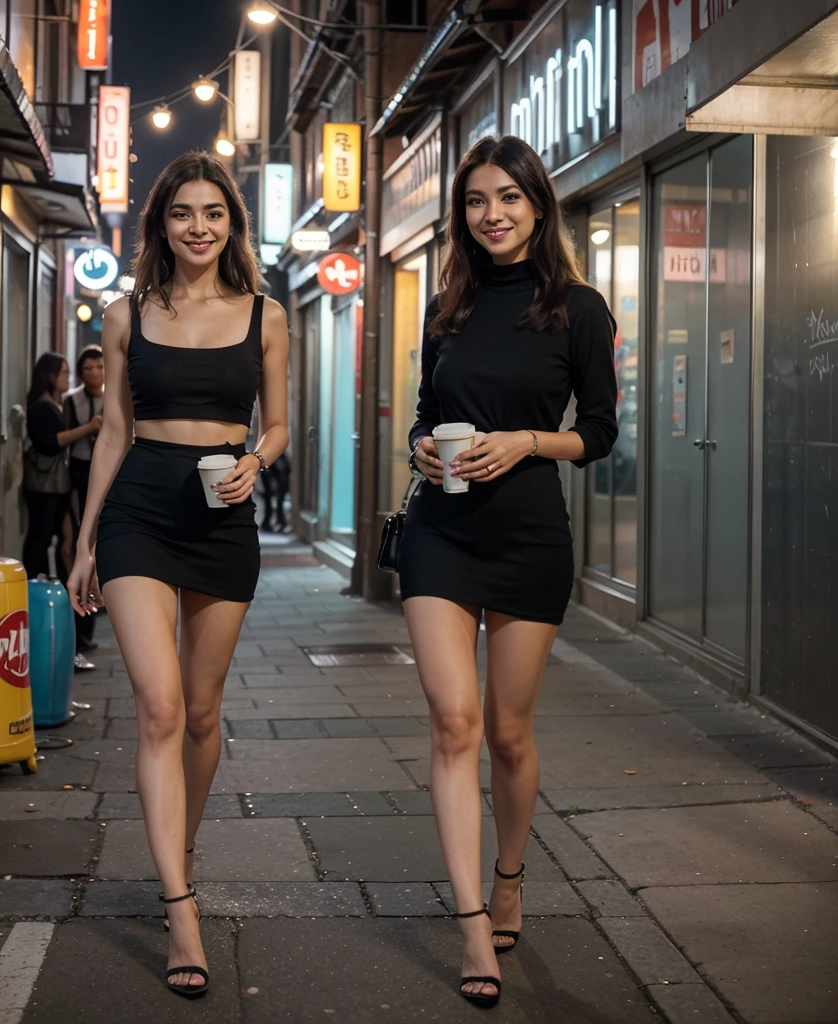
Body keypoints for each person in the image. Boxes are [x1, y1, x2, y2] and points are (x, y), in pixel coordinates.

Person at [399, 135, 618, 1009]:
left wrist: (526, 441)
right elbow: (426, 413)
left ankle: (511, 876)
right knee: (454, 724)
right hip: (439, 532)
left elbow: (598, 433)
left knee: (507, 734)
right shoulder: (446, 307)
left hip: (529, 533)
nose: (491, 214)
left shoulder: (579, 309)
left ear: (537, 205)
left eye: (508, 198)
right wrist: (423, 448)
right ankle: (469, 928)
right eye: (477, 200)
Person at [66, 152, 289, 999]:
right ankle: (181, 904)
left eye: (214, 214)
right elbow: (115, 430)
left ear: (232, 224)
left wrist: (255, 462)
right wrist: (86, 542)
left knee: (201, 713)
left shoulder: (265, 316)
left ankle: (179, 850)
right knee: (159, 706)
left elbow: (280, 423)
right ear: (161, 224)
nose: (199, 227)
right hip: (141, 512)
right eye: (182, 213)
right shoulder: (128, 316)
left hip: (224, 514)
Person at [22, 352, 103, 582]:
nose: (67, 377)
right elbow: (52, 441)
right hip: (44, 485)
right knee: (41, 535)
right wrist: (89, 427)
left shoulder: (53, 403)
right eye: (64, 372)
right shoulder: (43, 407)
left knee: (55, 536)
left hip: (52, 484)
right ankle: (32, 584)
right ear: (50, 375)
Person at [64, 344, 105, 662]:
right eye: (88, 368)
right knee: (84, 539)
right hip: (81, 472)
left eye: (99, 366)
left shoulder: (119, 393)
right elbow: (65, 438)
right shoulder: (72, 400)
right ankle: (84, 622)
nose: (93, 372)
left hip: (113, 474)